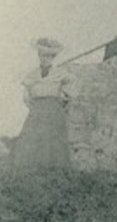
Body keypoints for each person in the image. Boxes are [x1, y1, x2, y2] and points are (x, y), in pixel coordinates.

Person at [12, 38, 73, 168]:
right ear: (38, 56)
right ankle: (30, 168)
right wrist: (34, 107)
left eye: (48, 56)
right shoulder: (32, 74)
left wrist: (62, 103)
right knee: (32, 137)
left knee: (53, 139)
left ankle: (54, 168)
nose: (45, 59)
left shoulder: (60, 73)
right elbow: (25, 96)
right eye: (42, 55)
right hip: (37, 110)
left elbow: (70, 90)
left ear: (53, 57)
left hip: (54, 109)